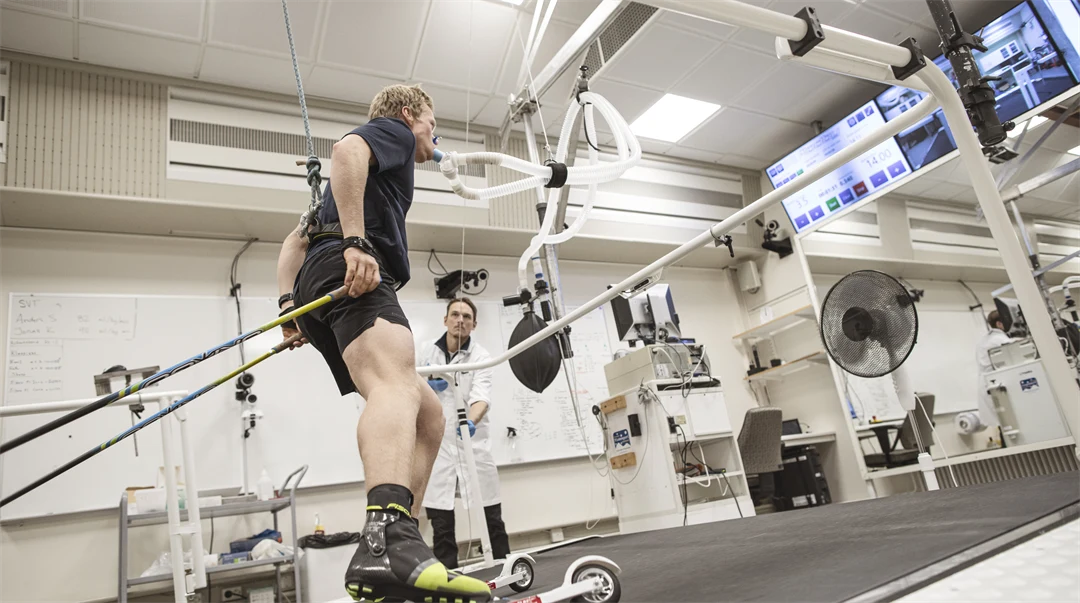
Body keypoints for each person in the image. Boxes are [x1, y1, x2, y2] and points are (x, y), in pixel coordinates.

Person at [275, 85, 490, 603]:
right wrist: (355, 243)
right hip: (352, 268)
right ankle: (386, 540)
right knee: (396, 384)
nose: (434, 135)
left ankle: (402, 541)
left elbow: (294, 243)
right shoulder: (395, 132)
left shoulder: (341, 195)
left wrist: (289, 310)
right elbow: (346, 150)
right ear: (408, 114)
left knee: (429, 415)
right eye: (432, 122)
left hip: (322, 278)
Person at [419, 298, 511, 569]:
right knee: (441, 524)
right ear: (445, 319)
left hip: (472, 445)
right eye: (455, 314)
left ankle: (505, 568)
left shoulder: (480, 357)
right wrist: (425, 385)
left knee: (491, 517)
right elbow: (409, 384)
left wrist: (469, 422)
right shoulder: (426, 352)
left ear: (474, 324)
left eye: (467, 316)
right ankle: (447, 576)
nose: (460, 320)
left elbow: (481, 397)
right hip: (438, 448)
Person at [975, 309, 1013, 427]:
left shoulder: (985, 339)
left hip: (988, 384)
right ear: (999, 324)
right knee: (1007, 423)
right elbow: (1013, 349)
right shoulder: (998, 339)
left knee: (1003, 424)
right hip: (994, 386)